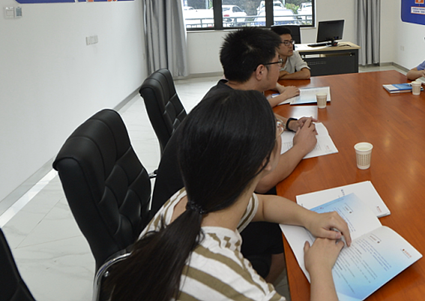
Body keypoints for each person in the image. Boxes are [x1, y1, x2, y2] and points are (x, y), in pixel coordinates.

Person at [107, 89, 350, 301]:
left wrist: (311, 218)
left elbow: (263, 206)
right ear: (266, 161)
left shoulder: (189, 198)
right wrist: (319, 268)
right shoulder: (230, 280)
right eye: (277, 129)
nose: (279, 131)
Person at [152, 27, 318, 281]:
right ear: (260, 71)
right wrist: (301, 147)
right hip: (187, 225)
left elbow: (260, 110)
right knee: (282, 231)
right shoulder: (232, 111)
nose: (280, 67)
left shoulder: (226, 94)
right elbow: (263, 181)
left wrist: (289, 123)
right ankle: (263, 285)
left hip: (189, 201)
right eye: (278, 62)